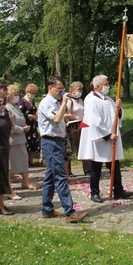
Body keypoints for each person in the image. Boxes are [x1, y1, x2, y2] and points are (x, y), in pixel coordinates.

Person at [38, 76, 88, 223]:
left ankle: (46, 208)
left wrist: (70, 123)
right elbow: (56, 119)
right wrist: (65, 103)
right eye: (59, 89)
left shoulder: (56, 102)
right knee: (60, 176)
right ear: (50, 88)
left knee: (49, 178)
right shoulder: (47, 103)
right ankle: (70, 212)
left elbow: (60, 120)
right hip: (50, 142)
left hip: (58, 140)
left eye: (62, 89)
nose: (61, 92)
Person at [78, 75, 133, 203]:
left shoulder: (108, 99)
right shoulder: (92, 100)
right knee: (97, 166)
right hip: (100, 139)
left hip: (112, 137)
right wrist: (107, 135)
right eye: (105, 83)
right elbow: (94, 121)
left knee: (114, 164)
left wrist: (118, 109)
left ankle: (118, 190)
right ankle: (94, 192)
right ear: (97, 86)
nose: (108, 85)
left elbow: (116, 116)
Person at [5, 84, 36, 191]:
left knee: (23, 159)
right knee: (10, 162)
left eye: (18, 94)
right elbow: (10, 124)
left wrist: (24, 126)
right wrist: (21, 129)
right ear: (8, 96)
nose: (17, 96)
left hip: (21, 138)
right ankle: (8, 184)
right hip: (12, 139)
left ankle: (26, 182)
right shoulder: (6, 108)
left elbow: (21, 118)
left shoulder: (16, 106)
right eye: (15, 94)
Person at [66, 81, 90, 176]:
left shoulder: (80, 101)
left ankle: (88, 169)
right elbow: (68, 114)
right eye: (78, 89)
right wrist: (76, 119)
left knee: (83, 147)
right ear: (72, 90)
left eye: (81, 89)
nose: (80, 91)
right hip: (72, 127)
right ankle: (68, 171)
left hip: (81, 127)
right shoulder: (69, 101)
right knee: (70, 148)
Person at [18, 83, 40, 166]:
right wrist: (28, 116)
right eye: (32, 93)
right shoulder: (22, 101)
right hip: (26, 123)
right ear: (27, 92)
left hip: (33, 124)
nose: (33, 95)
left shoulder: (32, 101)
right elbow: (20, 113)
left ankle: (31, 160)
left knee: (32, 143)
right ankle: (25, 161)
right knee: (26, 142)